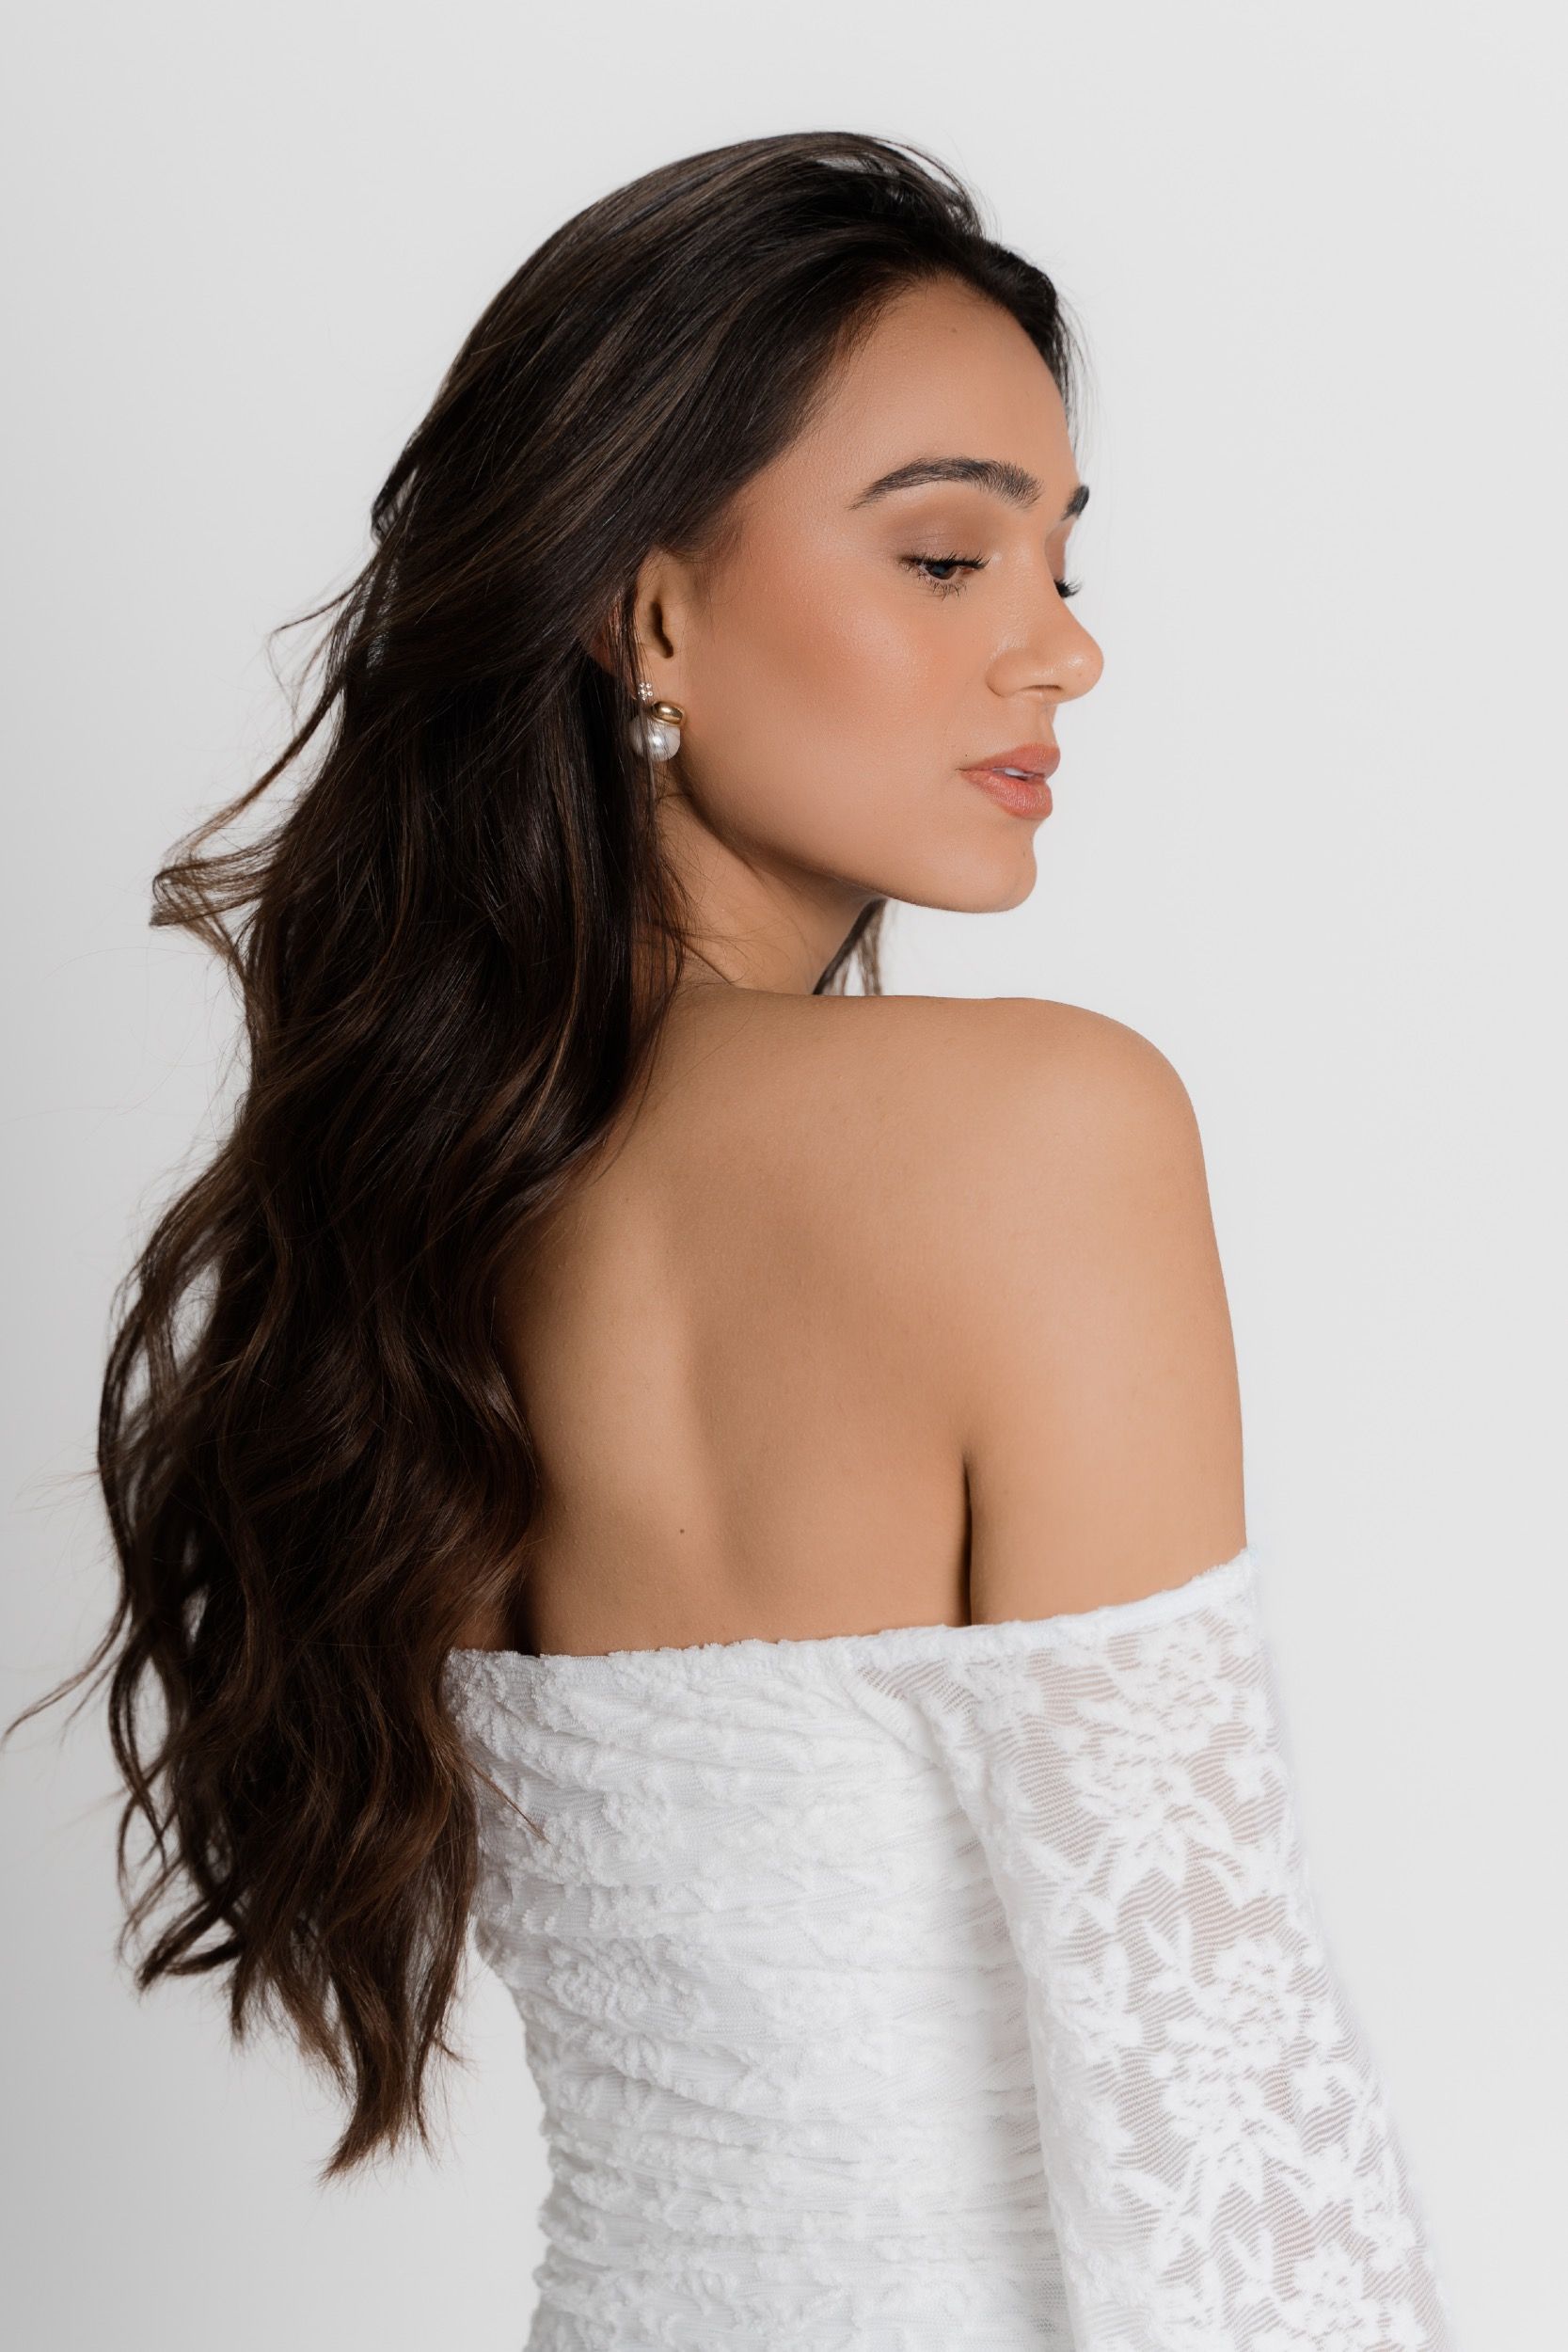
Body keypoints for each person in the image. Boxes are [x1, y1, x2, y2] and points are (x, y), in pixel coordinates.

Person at [11, 131, 1460, 2346]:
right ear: (655, 610)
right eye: (949, 555)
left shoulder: (414, 1203)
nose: (1064, 649)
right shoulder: (1043, 1129)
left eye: (1062, 559)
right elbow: (1214, 2109)